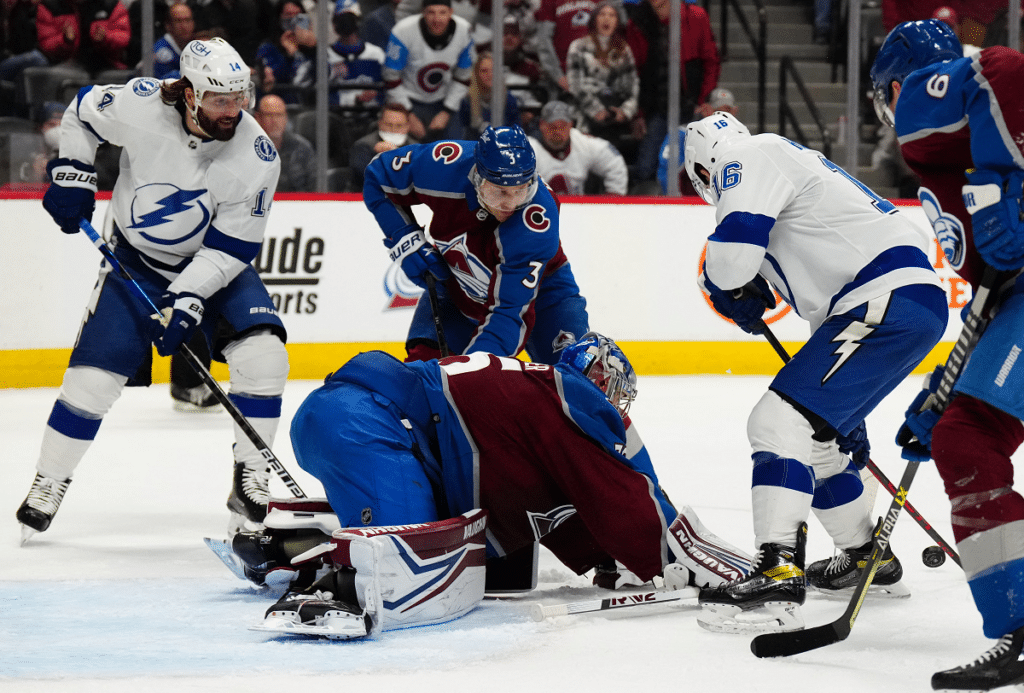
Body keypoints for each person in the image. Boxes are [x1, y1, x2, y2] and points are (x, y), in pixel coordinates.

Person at [232, 335, 753, 639]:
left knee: (448, 543)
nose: (616, 408)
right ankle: (334, 591)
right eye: (613, 391)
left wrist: (610, 553)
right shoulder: (563, 396)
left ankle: (286, 546)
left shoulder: (529, 411)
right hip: (363, 422)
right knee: (410, 568)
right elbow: (619, 488)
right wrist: (676, 550)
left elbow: (561, 507)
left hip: (353, 423)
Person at [15, 38, 289, 543]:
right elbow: (79, 113)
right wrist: (73, 174)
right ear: (188, 92)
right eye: (219, 100)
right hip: (135, 261)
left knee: (266, 358)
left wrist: (187, 296)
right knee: (91, 382)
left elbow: (231, 248)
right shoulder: (140, 103)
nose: (233, 111)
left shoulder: (256, 155)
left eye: (240, 97)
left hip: (214, 267)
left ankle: (252, 473)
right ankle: (48, 481)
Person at [683, 112, 948, 634]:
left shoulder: (748, 154)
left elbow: (731, 262)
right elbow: (827, 306)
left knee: (774, 425)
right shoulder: (792, 174)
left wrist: (726, 288)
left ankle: (779, 566)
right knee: (818, 440)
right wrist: (843, 411)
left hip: (883, 297)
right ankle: (865, 558)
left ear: (701, 168)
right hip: (893, 300)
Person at [870, 19, 1024, 691]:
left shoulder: (928, 102)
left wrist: (999, 185)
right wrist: (943, 386)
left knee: (969, 435)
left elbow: (1002, 66)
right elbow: (989, 285)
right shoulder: (946, 158)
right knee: (962, 427)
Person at [362, 124, 589, 365]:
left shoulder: (537, 220)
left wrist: (466, 375)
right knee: (421, 377)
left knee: (574, 378)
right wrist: (405, 240)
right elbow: (379, 174)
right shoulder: (443, 165)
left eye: (520, 191)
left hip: (542, 294)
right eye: (499, 192)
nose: (510, 205)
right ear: (477, 179)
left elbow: (508, 317)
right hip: (457, 286)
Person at [626, 0, 719, 185]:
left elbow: (710, 62)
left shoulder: (695, 17)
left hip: (691, 106)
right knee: (646, 168)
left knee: (691, 164)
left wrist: (703, 100)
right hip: (657, 108)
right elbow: (635, 71)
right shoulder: (638, 22)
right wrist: (639, 114)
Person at [382, 0, 474, 143]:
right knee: (407, 153)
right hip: (408, 100)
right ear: (423, 13)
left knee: (456, 150)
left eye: (442, 12)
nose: (437, 19)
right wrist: (408, 114)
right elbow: (390, 77)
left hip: (443, 100)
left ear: (451, 13)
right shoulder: (403, 31)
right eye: (431, 12)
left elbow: (463, 77)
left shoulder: (464, 30)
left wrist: (447, 111)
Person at [565, 0, 638, 151]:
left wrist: (625, 112)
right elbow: (575, 85)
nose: (607, 19)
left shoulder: (624, 50)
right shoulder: (578, 46)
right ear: (594, 20)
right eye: (602, 14)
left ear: (617, 21)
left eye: (612, 15)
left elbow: (633, 87)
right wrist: (596, 110)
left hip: (614, 118)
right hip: (584, 116)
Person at [528, 100, 627, 195]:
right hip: (539, 210)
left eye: (562, 126)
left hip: (578, 208)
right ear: (542, 125)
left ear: (571, 124)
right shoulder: (527, 150)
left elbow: (615, 163)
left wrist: (613, 199)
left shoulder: (583, 143)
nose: (557, 131)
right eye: (552, 126)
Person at [657, 86, 736, 195]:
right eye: (718, 112)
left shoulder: (739, 139)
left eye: (727, 113)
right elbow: (667, 172)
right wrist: (677, 204)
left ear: (734, 112)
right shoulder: (682, 135)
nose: (723, 118)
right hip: (688, 204)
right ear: (704, 109)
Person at [36, 0, 132, 75]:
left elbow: (123, 37)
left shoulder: (111, 4)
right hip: (65, 63)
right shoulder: (50, 6)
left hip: (109, 63)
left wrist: (105, 38)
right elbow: (46, 43)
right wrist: (65, 40)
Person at [326, 0, 386, 110]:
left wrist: (375, 95)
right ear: (334, 24)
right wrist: (355, 99)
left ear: (358, 21)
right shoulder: (326, 56)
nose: (346, 24)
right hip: (336, 116)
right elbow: (322, 96)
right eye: (342, 20)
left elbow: (387, 89)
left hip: (371, 115)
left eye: (350, 19)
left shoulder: (376, 54)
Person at [254, 0, 316, 104]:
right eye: (288, 15)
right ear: (279, 18)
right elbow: (271, 81)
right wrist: (289, 56)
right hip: (283, 105)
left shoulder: (311, 48)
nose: (294, 19)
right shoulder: (268, 48)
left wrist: (314, 49)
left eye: (298, 15)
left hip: (311, 105)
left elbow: (325, 74)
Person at [254, 94, 316, 192]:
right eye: (269, 115)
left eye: (279, 115)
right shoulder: (246, 148)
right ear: (258, 118)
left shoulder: (302, 148)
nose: (275, 121)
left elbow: (314, 187)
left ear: (286, 118)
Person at [348, 102, 419, 187]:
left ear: (407, 127)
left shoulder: (416, 149)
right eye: (389, 125)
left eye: (399, 126)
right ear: (380, 123)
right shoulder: (363, 146)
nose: (393, 129)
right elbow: (369, 177)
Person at [456, 51, 521, 139]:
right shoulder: (467, 101)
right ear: (476, 74)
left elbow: (516, 133)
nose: (490, 75)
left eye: (494, 70)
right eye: (484, 71)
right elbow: (462, 133)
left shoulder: (509, 100)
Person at [151, 1, 194, 79]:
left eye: (188, 20)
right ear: (168, 25)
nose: (184, 26)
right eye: (178, 21)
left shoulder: (194, 45)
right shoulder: (162, 52)